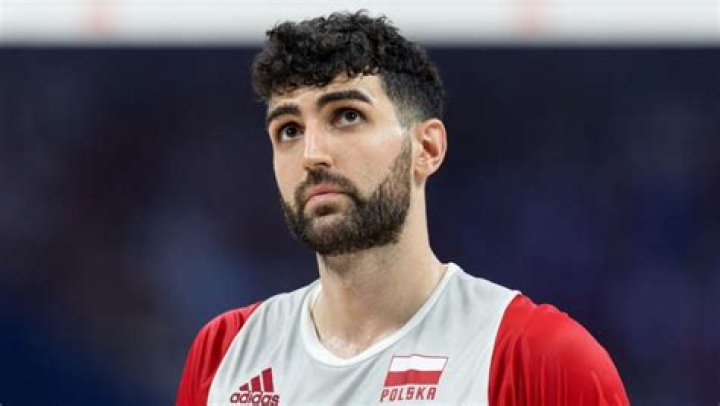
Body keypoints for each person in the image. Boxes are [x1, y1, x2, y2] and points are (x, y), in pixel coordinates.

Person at [177, 11, 628, 405]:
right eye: (289, 130)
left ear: (426, 148)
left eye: (347, 116)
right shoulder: (226, 352)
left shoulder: (538, 356)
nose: (312, 155)